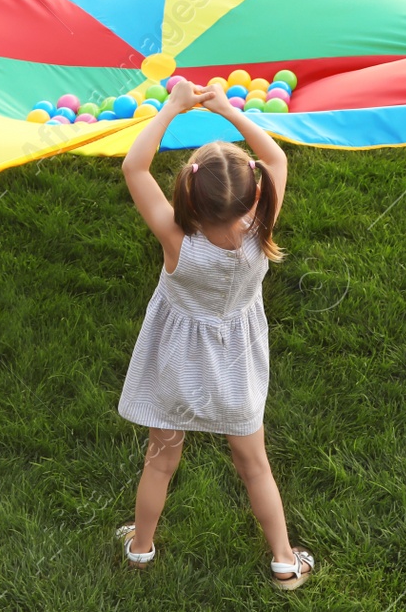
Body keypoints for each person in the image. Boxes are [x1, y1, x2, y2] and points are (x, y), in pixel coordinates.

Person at [114, 80, 315, 590]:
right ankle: (285, 561)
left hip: (177, 363)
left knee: (160, 460)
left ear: (189, 197)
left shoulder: (176, 238)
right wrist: (230, 111)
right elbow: (277, 160)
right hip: (236, 366)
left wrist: (170, 109)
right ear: (254, 196)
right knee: (254, 464)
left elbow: (133, 167)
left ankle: (140, 549)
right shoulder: (260, 231)